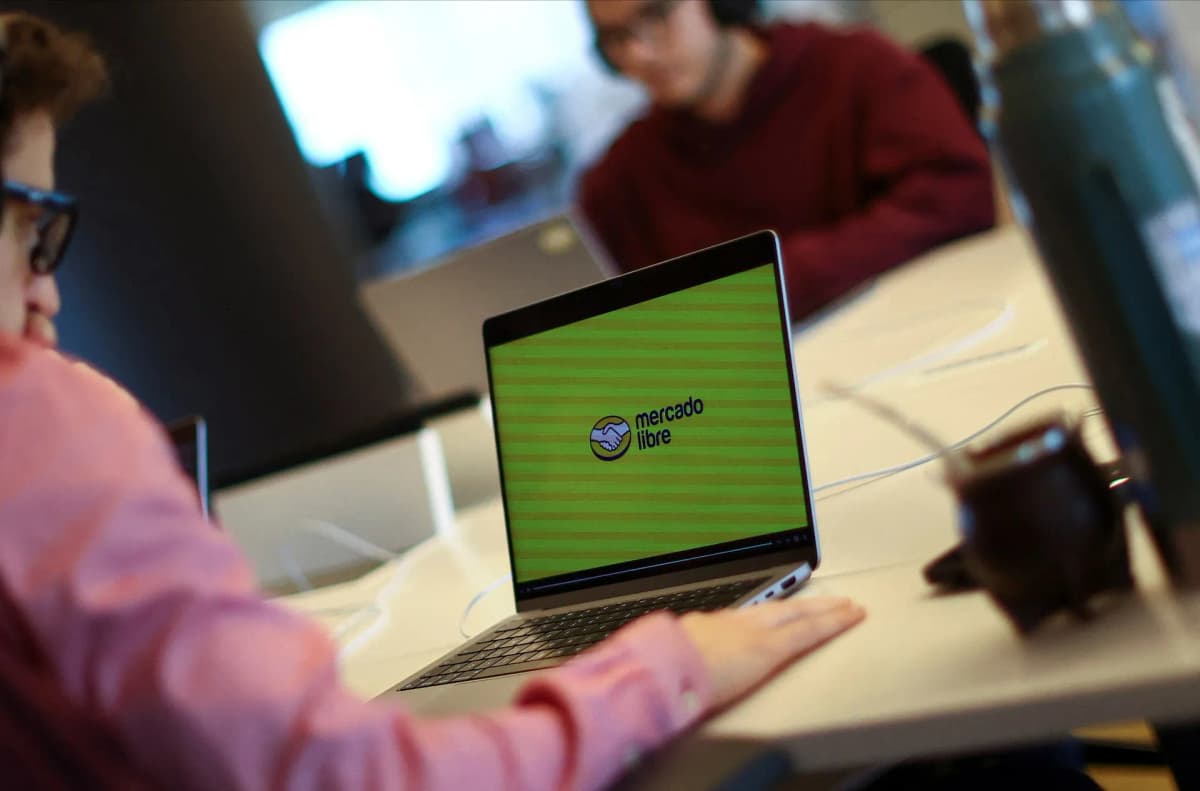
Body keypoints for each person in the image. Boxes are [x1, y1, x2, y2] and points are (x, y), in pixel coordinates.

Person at [0, 11, 865, 789]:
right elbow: (350, 777)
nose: (53, 294)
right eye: (33, 231)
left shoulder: (842, 71)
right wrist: (666, 669)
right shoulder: (41, 422)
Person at [578, 0, 996, 322]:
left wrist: (776, 281)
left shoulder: (856, 68)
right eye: (615, 37)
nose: (638, 54)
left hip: (925, 326)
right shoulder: (616, 184)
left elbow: (962, 194)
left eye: (656, 14)